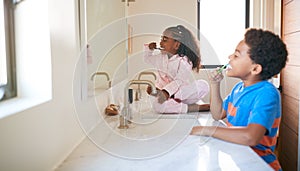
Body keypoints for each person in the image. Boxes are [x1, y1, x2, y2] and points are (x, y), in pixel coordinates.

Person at [190, 28, 288, 171]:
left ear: (255, 69)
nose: (229, 57)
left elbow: (251, 137)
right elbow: (217, 114)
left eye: (236, 55)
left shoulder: (267, 94)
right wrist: (215, 84)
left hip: (259, 164)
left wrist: (207, 130)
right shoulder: (238, 89)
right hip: (239, 159)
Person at [144, 25, 210, 114]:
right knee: (157, 106)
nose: (161, 43)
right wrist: (149, 49)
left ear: (176, 44)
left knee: (204, 85)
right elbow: (147, 59)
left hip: (183, 95)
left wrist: (166, 92)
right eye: (161, 39)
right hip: (166, 97)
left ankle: (168, 96)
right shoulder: (160, 58)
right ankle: (192, 108)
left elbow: (179, 80)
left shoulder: (184, 61)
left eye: (165, 40)